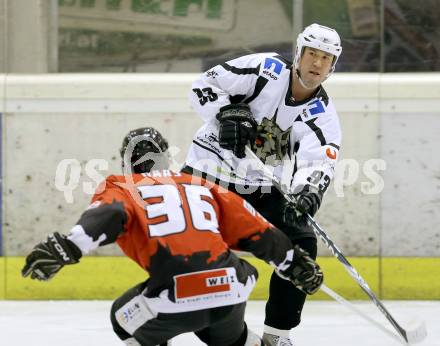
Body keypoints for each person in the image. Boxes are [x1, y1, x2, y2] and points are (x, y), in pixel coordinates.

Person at [21, 127, 324, 346]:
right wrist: (292, 262)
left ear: (127, 161)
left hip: (176, 294)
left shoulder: (122, 186)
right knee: (222, 329)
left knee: (122, 319)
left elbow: (109, 215)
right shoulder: (199, 184)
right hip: (231, 285)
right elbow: (255, 229)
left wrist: (68, 247)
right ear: (166, 157)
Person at [182, 23, 342, 346]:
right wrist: (226, 113)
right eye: (312, 54)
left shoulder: (322, 114)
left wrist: (308, 192)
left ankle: (276, 335)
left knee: (301, 242)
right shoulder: (264, 70)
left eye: (326, 58)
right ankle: (177, 323)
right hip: (207, 174)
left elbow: (318, 162)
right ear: (299, 52)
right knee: (189, 249)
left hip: (258, 187)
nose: (317, 63)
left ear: (332, 66)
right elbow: (203, 86)